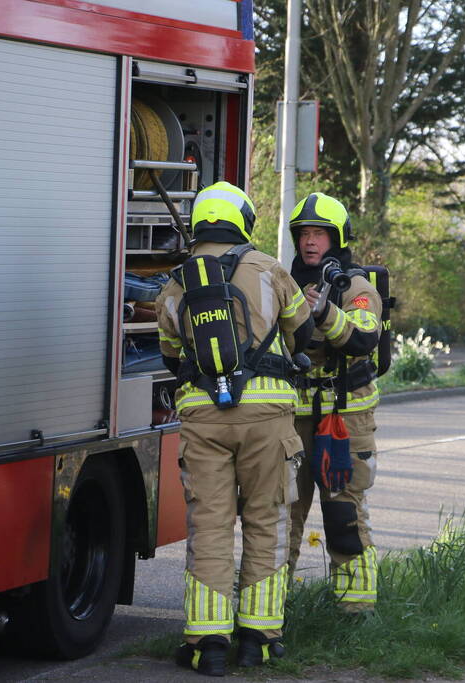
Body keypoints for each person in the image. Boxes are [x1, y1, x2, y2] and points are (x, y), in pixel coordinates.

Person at [156, 182, 313, 676]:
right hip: (268, 416)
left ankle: (209, 646)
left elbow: (170, 355)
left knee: (210, 527)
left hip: (203, 415)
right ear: (244, 220)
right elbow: (302, 331)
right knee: (267, 520)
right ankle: (257, 641)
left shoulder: (177, 282)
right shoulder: (269, 268)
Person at [286, 192, 383, 613]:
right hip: (292, 420)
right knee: (280, 517)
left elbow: (363, 338)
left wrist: (325, 312)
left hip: (344, 421)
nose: (310, 242)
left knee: (343, 518)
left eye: (319, 234)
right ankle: (267, 612)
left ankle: (355, 612)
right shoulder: (285, 284)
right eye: (304, 234)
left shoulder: (357, 287)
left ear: (336, 239)